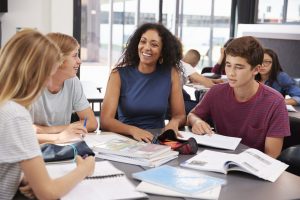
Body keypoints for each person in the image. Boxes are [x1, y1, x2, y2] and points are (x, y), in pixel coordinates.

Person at [0, 29, 95, 200]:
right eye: (49, 71)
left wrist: (22, 179)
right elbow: (48, 193)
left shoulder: (6, 106)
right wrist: (84, 169)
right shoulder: (16, 115)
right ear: (37, 72)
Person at [187, 36, 290, 158]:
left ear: (256, 69)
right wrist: (197, 121)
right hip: (218, 161)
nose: (231, 73)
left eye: (239, 67)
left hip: (254, 169)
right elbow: (191, 116)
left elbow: (271, 156)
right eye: (228, 65)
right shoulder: (216, 92)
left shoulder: (275, 102)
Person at [100, 23, 186, 143]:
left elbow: (180, 115)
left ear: (162, 51)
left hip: (157, 140)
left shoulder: (171, 73)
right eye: (143, 41)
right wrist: (133, 130)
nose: (146, 47)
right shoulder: (118, 75)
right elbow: (105, 121)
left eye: (154, 44)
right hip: (126, 139)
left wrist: (173, 123)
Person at [30, 32, 98, 144]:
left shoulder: (73, 82)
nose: (79, 61)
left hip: (62, 147)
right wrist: (59, 136)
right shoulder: (30, 86)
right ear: (57, 59)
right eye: (75, 55)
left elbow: (92, 123)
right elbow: (19, 133)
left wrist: (47, 131)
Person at [181, 49, 214, 114]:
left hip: (166, 101)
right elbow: (206, 83)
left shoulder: (179, 63)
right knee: (205, 109)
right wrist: (222, 87)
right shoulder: (186, 66)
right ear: (196, 62)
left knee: (187, 96)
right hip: (171, 104)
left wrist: (214, 80)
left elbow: (194, 79)